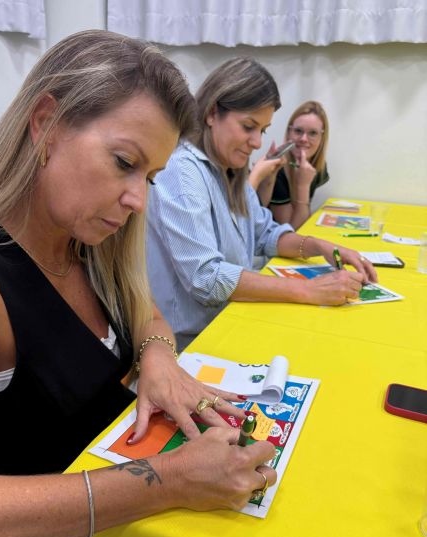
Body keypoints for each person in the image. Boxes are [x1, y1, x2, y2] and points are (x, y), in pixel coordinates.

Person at [0, 31, 277, 537]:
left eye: (149, 178)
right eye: (124, 163)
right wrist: (167, 481)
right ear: (46, 124)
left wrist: (159, 360)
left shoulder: (85, 244)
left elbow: (149, 318)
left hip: (117, 505)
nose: (138, 200)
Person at [146, 59, 376, 351]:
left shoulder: (229, 169)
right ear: (213, 113)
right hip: (192, 343)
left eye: (263, 131)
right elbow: (206, 278)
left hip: (231, 320)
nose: (257, 142)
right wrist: (308, 289)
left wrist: (322, 246)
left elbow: (267, 233)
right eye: (248, 127)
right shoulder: (181, 172)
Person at [254, 101, 329, 229]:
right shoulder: (278, 170)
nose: (304, 139)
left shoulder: (317, 166)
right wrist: (303, 186)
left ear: (322, 137)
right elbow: (292, 230)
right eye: (298, 131)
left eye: (313, 133)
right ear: (289, 132)